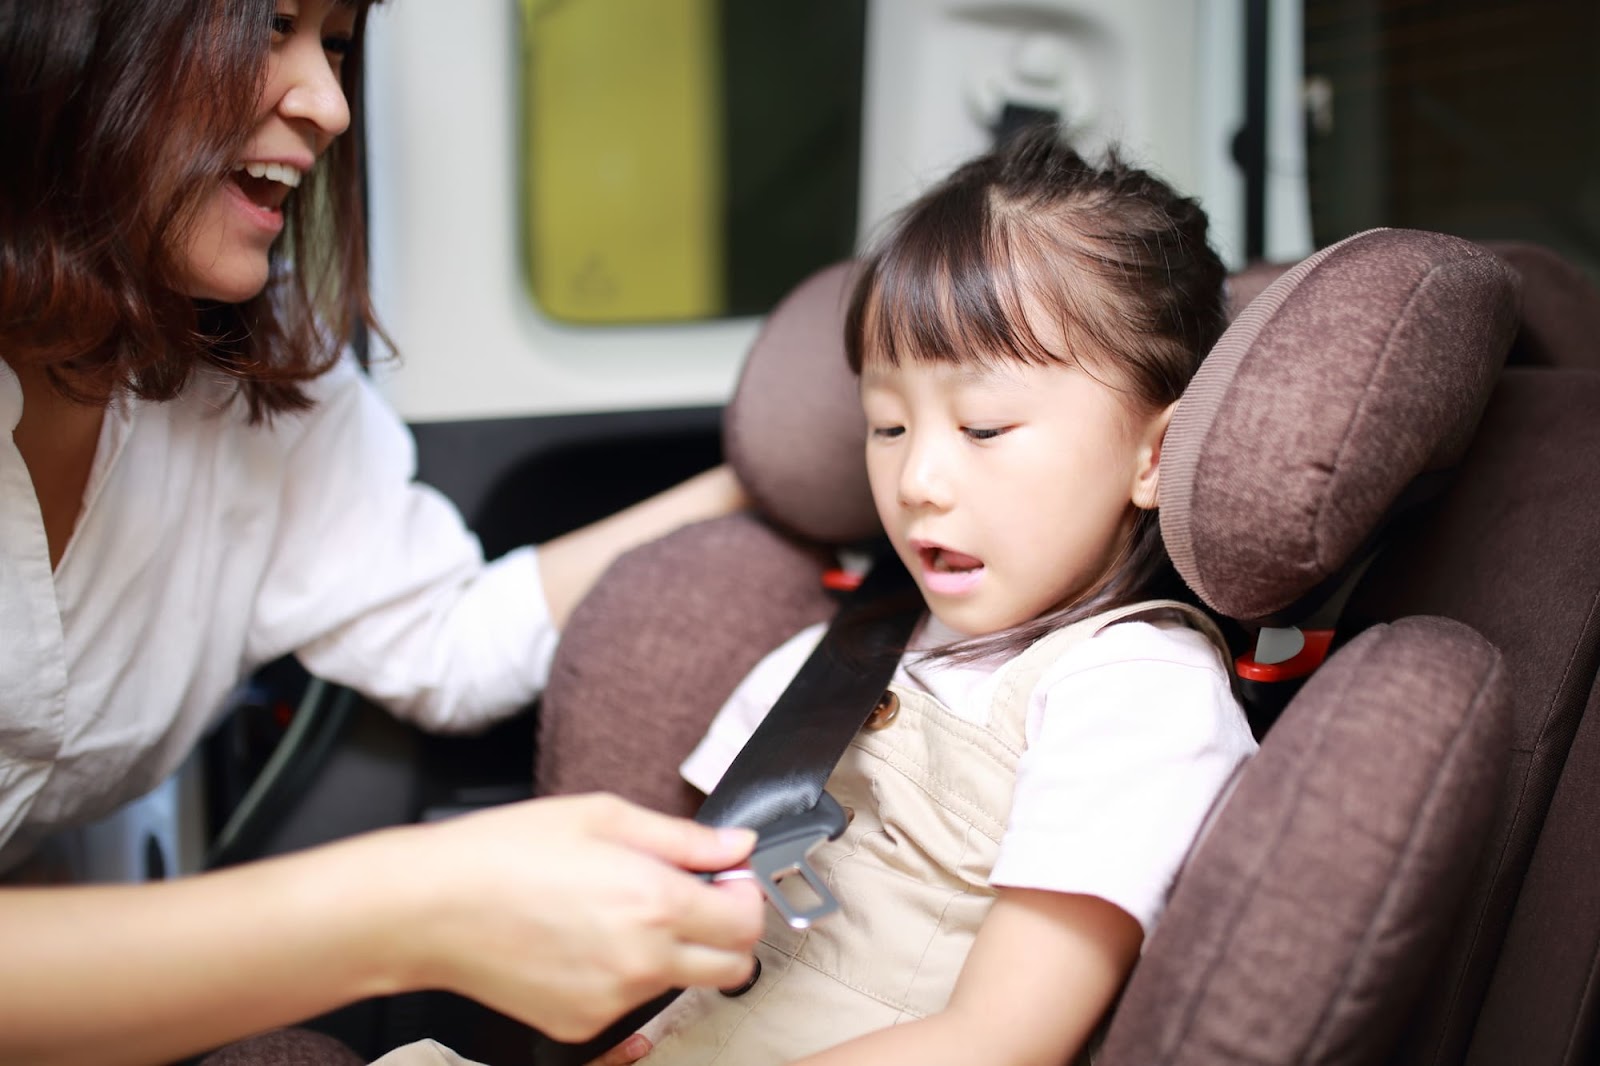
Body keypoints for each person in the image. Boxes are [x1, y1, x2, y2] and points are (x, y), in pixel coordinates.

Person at [0, 2, 763, 1064]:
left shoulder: (258, 382)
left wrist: (775, 472)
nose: (329, 104)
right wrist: (411, 913)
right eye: (270, 25)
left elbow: (447, 633)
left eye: (338, 44)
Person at [620, 126, 1260, 1065]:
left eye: (984, 425)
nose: (917, 477)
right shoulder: (840, 657)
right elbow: (686, 923)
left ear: (1155, 454)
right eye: (887, 425)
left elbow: (998, 1041)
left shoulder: (1132, 690)